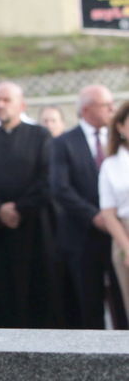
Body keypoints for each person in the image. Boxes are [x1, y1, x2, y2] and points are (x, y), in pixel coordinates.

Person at [0, 81, 63, 328]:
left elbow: (47, 179)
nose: (0, 105)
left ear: (22, 105)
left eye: (6, 100)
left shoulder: (40, 136)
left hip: (34, 229)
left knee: (37, 291)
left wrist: (19, 208)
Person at [52, 84, 124, 329]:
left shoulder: (117, 144)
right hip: (81, 237)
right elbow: (60, 188)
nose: (112, 109)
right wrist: (94, 217)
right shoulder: (64, 143)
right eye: (106, 105)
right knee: (89, 303)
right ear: (86, 109)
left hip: (118, 236)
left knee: (122, 298)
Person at [98, 101, 129, 316]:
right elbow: (108, 213)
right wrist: (126, 248)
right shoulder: (111, 165)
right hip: (124, 234)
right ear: (120, 127)